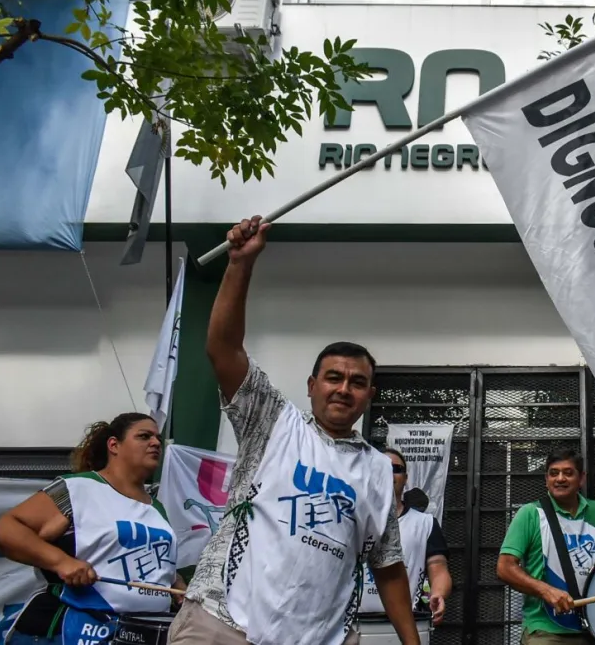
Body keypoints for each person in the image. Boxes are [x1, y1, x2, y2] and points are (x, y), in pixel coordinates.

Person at [169, 215, 420, 645]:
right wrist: (239, 266)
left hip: (321, 638)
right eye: (333, 377)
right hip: (223, 623)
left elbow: (389, 566)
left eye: (357, 382)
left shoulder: (380, 469)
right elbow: (222, 349)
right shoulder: (272, 421)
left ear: (369, 394)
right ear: (311, 386)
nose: (344, 389)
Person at [0, 413, 184, 644]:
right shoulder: (77, 488)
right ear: (114, 445)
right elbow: (4, 530)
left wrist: (179, 588)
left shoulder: (157, 507)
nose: (155, 443)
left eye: (158, 439)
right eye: (144, 436)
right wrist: (61, 562)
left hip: (142, 634)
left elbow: (157, 565)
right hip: (74, 630)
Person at [497, 448, 595, 645]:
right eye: (554, 473)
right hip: (546, 630)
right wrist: (546, 590)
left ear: (581, 478)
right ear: (546, 479)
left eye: (568, 473)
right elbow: (505, 567)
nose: (560, 478)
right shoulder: (530, 514)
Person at [357, 449, 452, 625]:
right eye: (382, 467)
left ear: (405, 478)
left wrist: (438, 593)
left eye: (396, 468)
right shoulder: (353, 518)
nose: (389, 472)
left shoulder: (426, 523)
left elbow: (438, 568)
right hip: (354, 624)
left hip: (406, 623)